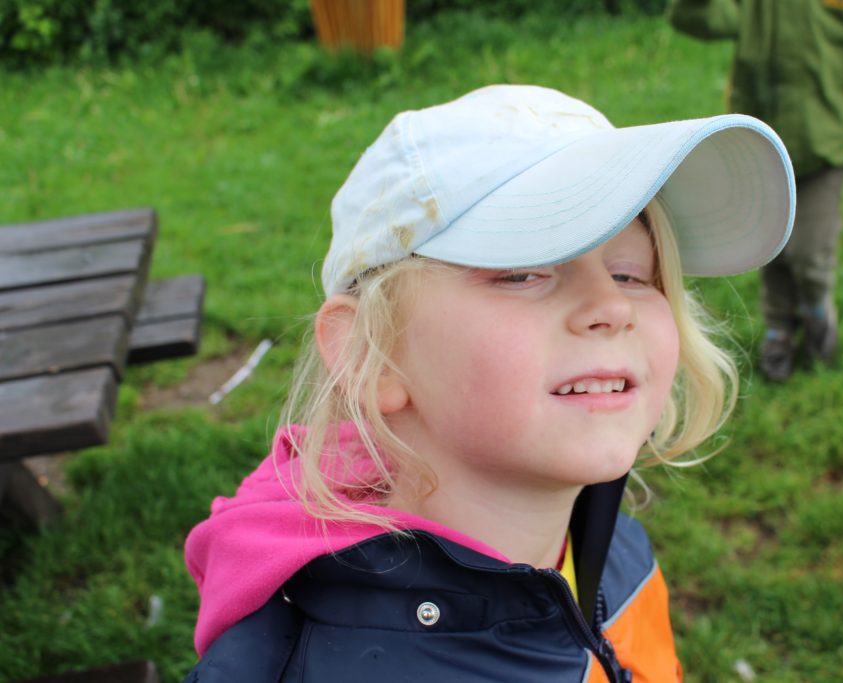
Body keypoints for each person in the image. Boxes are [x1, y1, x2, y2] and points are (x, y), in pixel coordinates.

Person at [181, 84, 794, 682]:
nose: (611, 306)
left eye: (632, 273)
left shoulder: (608, 544)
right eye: (523, 273)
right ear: (374, 356)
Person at [669, 0, 843, 381]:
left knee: (809, 252)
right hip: (760, 144)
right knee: (771, 246)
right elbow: (701, 18)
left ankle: (818, 318)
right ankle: (778, 330)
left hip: (824, 144)